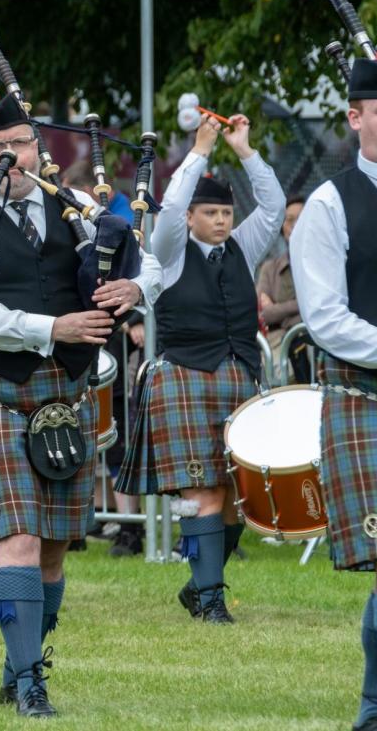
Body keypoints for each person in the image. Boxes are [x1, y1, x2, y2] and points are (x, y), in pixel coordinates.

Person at [0, 95, 161, 717]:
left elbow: (155, 260)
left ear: (40, 147)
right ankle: (33, 681)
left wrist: (134, 285)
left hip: (66, 394)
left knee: (57, 544)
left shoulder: (75, 208)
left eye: (23, 143)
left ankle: (17, 668)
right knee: (19, 537)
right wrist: (50, 328)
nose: (13, 157)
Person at [117, 113, 284, 625]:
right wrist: (201, 151)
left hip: (237, 377)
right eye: (209, 213)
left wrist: (246, 149)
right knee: (201, 489)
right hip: (184, 376)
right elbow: (166, 210)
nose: (220, 221)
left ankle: (199, 585)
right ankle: (212, 599)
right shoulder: (167, 253)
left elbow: (274, 206)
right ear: (191, 217)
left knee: (236, 492)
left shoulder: (244, 246)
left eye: (224, 213)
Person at [290, 54, 377, 731]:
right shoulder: (330, 205)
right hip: (364, 399)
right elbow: (326, 319)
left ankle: (371, 710)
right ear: (356, 118)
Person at [256, 195, 309, 382]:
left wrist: (281, 310)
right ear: (281, 227)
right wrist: (302, 305)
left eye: (302, 218)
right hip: (282, 351)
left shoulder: (327, 261)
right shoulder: (270, 268)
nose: (296, 225)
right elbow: (263, 315)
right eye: (290, 220)